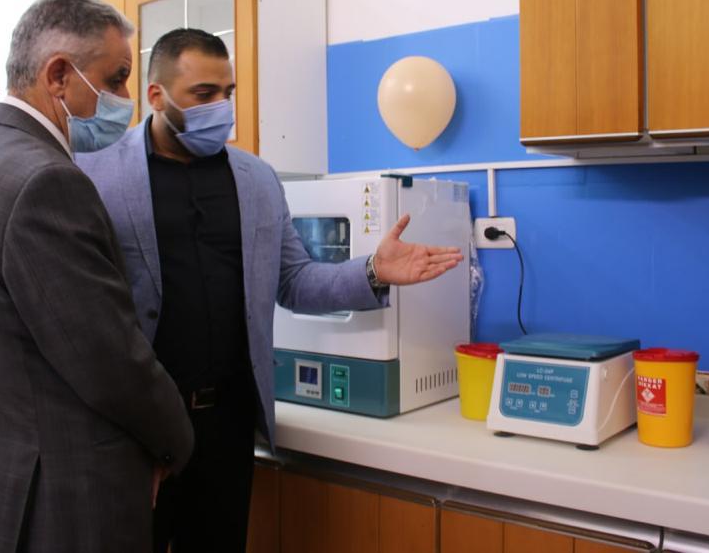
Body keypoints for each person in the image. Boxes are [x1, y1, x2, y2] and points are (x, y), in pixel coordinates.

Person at [77, 28, 463, 552]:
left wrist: (373, 270)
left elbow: (294, 280)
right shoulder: (94, 175)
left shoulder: (256, 179)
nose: (221, 107)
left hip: (229, 422)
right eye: (203, 94)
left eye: (228, 93)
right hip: (138, 428)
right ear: (156, 96)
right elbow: (86, 317)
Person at [0, 0, 194, 553]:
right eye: (116, 79)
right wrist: (174, 441)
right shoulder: (45, 182)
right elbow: (108, 359)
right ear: (58, 76)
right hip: (65, 498)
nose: (126, 100)